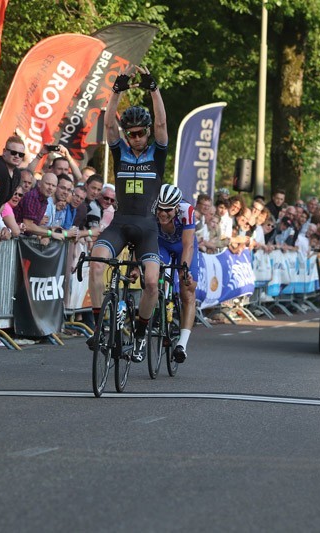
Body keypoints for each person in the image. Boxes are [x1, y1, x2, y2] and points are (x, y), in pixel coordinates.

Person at [88, 64, 168, 363]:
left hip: (147, 227)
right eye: (131, 134)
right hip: (120, 224)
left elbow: (161, 124)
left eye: (140, 133)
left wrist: (153, 89)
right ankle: (98, 327)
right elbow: (109, 125)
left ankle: (140, 333)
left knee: (150, 283)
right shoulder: (120, 151)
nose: (135, 138)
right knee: (96, 266)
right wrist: (116, 92)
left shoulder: (156, 153)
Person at [155, 185, 198, 363]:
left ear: (176, 208)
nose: (163, 214)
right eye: (160, 209)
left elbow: (188, 245)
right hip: (161, 245)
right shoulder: (151, 208)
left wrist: (184, 269)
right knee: (154, 270)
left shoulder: (186, 210)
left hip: (182, 247)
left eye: (168, 210)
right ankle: (159, 305)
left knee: (187, 290)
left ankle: (182, 344)